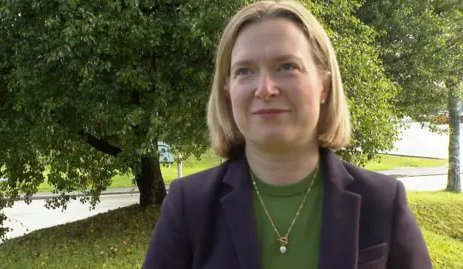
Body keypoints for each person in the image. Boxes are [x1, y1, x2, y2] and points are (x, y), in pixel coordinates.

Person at [142, 1, 432, 268]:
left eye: (287, 67)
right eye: (245, 71)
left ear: (324, 86)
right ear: (228, 91)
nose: (265, 89)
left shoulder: (382, 201)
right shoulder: (188, 205)